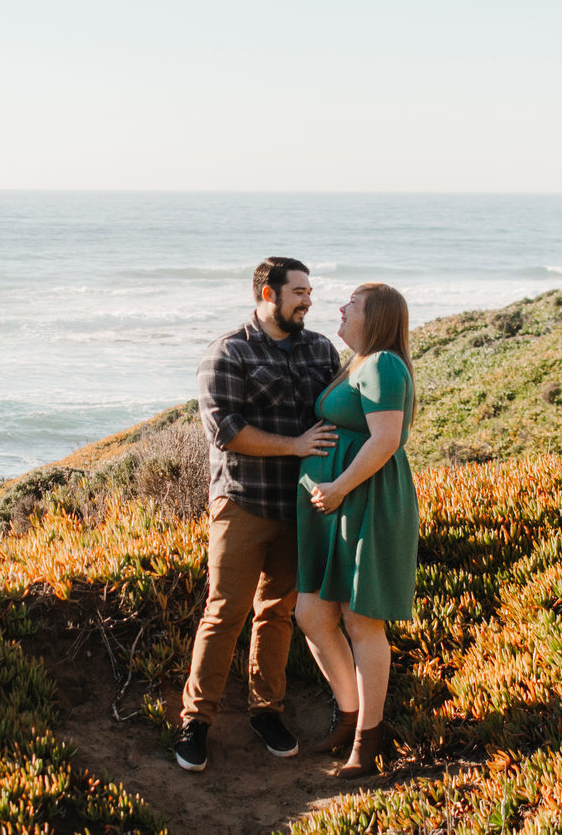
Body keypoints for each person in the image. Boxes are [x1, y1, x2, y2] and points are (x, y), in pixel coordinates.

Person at [175, 257, 341, 773]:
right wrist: (294, 446)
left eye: (310, 291)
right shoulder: (228, 351)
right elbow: (225, 430)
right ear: (268, 294)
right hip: (242, 503)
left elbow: (339, 415)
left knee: (278, 612)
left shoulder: (321, 350)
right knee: (224, 612)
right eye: (299, 292)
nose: (309, 300)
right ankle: (195, 721)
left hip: (301, 507)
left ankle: (266, 711)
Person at [294, 282, 419, 779]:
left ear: (379, 318)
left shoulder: (385, 363)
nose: (341, 309)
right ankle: (350, 713)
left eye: (354, 306)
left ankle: (367, 745)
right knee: (311, 613)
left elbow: (386, 439)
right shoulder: (358, 363)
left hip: (365, 500)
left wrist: (341, 486)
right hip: (334, 505)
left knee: (361, 621)